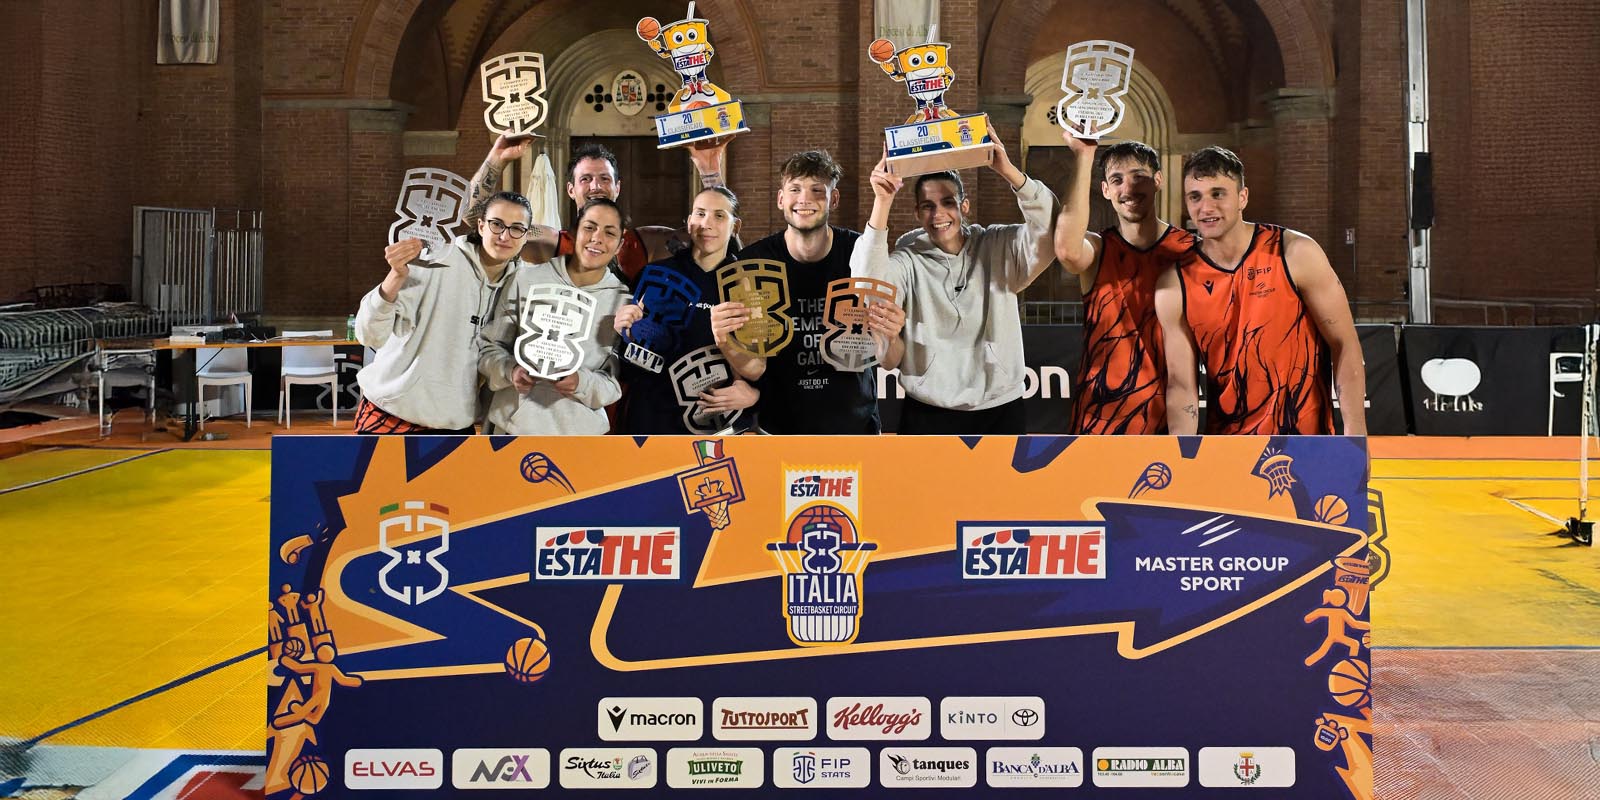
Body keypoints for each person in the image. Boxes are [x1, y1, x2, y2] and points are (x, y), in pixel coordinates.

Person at [1154, 145, 1367, 435]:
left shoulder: (1295, 252)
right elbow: (1182, 384)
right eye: (1195, 196)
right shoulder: (1174, 282)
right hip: (1230, 446)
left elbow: (1345, 344)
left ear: (1242, 197)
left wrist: (1356, 437)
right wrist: (1183, 452)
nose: (1206, 208)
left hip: (1305, 442)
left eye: (1218, 194)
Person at [851, 136, 1055, 434]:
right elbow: (868, 285)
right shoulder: (908, 260)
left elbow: (1050, 230)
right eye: (928, 206)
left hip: (1001, 406)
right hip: (927, 407)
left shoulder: (998, 245)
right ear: (917, 213)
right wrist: (882, 201)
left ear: (964, 206)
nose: (938, 214)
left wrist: (1009, 172)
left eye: (948, 202)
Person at [711, 150, 893, 434]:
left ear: (834, 199)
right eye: (795, 189)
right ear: (780, 199)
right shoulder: (753, 262)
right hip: (779, 428)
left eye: (817, 190)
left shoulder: (860, 252)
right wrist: (725, 341)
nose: (805, 199)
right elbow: (755, 367)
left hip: (855, 428)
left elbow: (887, 350)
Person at [353, 191, 530, 434]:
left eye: (516, 228)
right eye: (497, 224)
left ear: (526, 236)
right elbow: (369, 335)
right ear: (481, 226)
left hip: (456, 422)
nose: (504, 236)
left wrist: (512, 370)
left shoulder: (521, 285)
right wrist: (395, 276)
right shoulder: (435, 259)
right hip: (392, 412)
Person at [1054, 132, 1196, 434]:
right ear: (1105, 190)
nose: (1127, 188)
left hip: (1169, 419)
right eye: (1116, 180)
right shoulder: (1099, 249)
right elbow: (1067, 251)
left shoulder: (1190, 250)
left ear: (1158, 180)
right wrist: (1084, 156)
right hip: (1099, 420)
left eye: (1138, 176)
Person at [463, 136, 730, 284]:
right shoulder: (550, 242)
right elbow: (475, 219)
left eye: (604, 178)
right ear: (571, 190)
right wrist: (497, 158)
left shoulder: (647, 242)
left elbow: (719, 240)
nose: (596, 186)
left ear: (617, 187)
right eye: (586, 179)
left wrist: (709, 171)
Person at [613, 187, 759, 434]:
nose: (706, 224)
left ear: (735, 226)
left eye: (719, 216)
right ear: (689, 221)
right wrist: (624, 332)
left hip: (717, 424)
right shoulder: (655, 275)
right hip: (652, 419)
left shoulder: (747, 284)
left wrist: (756, 394)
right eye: (700, 213)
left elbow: (768, 363)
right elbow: (625, 364)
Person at [477, 198, 629, 434]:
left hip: (580, 436)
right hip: (512, 428)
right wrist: (510, 370)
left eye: (609, 233)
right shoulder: (526, 279)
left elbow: (614, 381)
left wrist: (582, 382)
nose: (597, 238)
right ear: (574, 233)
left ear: (620, 244)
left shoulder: (623, 302)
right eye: (589, 227)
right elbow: (489, 348)